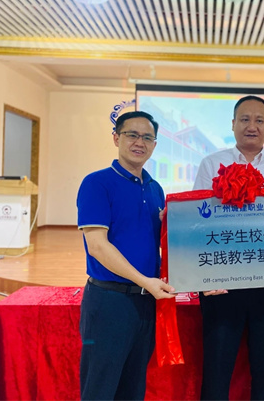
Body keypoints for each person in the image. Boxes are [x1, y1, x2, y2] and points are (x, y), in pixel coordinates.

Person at [193, 95, 264, 400]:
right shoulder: (211, 164)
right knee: (216, 372)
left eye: (259, 120)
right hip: (221, 285)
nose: (252, 126)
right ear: (233, 124)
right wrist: (200, 278)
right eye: (245, 119)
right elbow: (197, 222)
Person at [77, 111, 175, 400]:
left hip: (146, 302)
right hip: (109, 302)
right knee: (100, 388)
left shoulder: (155, 189)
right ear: (116, 138)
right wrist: (144, 281)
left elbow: (162, 243)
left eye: (147, 138)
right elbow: (97, 246)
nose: (139, 143)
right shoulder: (97, 183)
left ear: (154, 145)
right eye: (132, 135)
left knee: (133, 388)